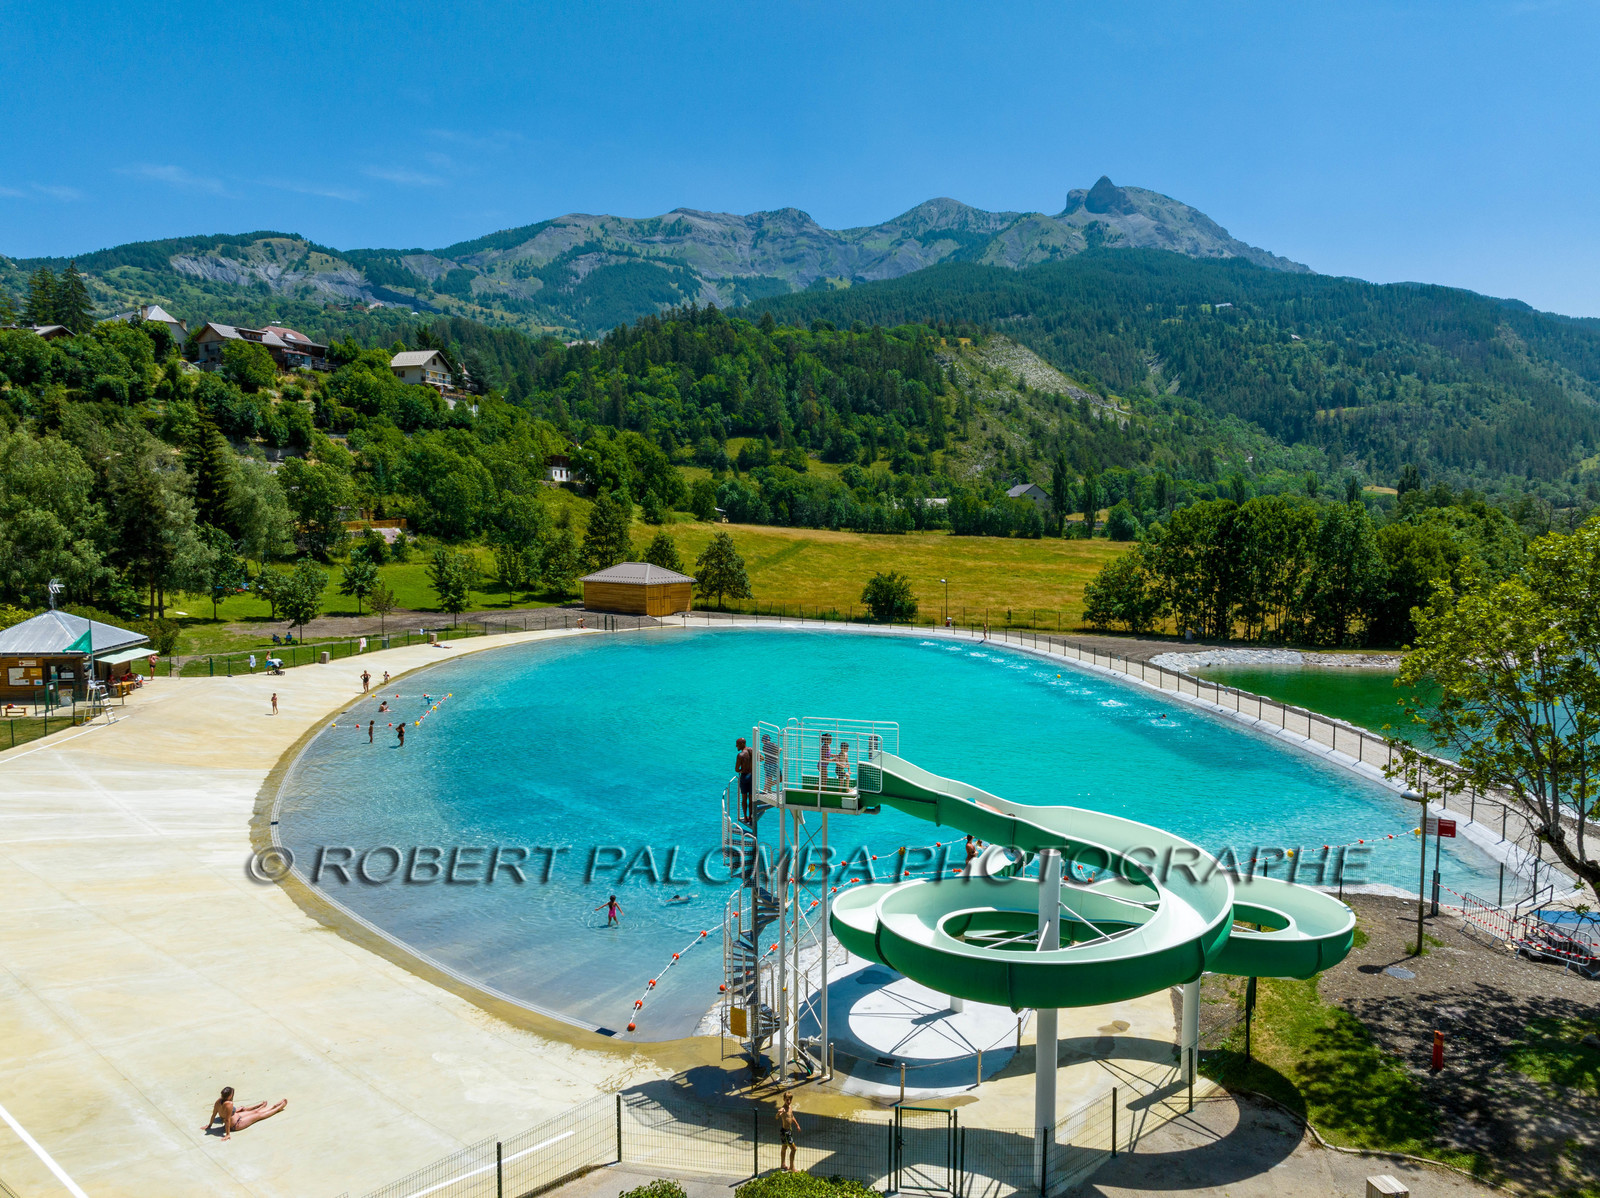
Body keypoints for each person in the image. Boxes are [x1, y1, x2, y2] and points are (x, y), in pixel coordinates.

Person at [204, 1086, 287, 1140]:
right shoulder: (229, 1104)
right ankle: (278, 1109)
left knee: (255, 1111)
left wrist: (209, 1125)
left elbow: (214, 1114)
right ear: (229, 1096)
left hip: (237, 1116)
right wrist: (228, 1134)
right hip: (236, 1124)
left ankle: (273, 1106)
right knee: (258, 1115)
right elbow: (227, 1120)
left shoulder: (218, 1101)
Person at [777, 1093, 800, 1171]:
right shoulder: (783, 1109)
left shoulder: (790, 1108)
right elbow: (776, 1117)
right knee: (794, 1149)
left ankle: (783, 1164)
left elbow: (792, 1116)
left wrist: (797, 1125)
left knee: (784, 1147)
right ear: (784, 1099)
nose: (789, 1101)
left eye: (790, 1100)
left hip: (789, 1130)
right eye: (787, 1100)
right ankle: (792, 1167)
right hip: (785, 1132)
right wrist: (778, 1113)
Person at [735, 736, 754, 822]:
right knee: (751, 798)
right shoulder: (751, 750)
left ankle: (745, 817)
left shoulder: (740, 755)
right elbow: (761, 758)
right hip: (752, 776)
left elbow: (736, 769)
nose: (736, 746)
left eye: (738, 744)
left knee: (744, 798)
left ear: (742, 744)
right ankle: (750, 816)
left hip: (744, 777)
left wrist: (742, 770)